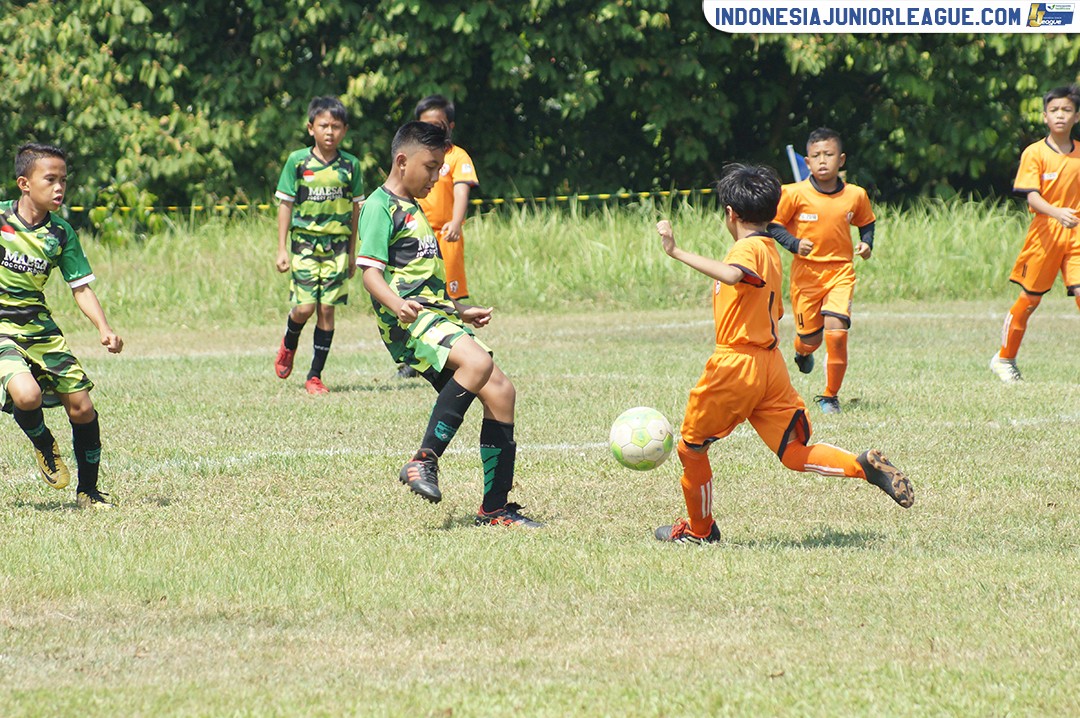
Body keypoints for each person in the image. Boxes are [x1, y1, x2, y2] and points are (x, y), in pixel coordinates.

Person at [653, 163, 913, 545]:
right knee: (793, 452)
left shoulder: (747, 248)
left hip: (736, 365)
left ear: (730, 213)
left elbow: (732, 275)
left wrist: (675, 251)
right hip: (770, 366)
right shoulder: (771, 249)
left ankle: (700, 531)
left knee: (690, 448)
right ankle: (861, 467)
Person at [356, 121, 541, 528]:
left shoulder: (415, 211)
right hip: (410, 324)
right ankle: (423, 461)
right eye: (432, 166)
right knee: (477, 365)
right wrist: (396, 304)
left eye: (442, 166)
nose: (438, 175)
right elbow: (370, 274)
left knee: (502, 393)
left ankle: (494, 510)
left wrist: (459, 311)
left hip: (435, 319)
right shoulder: (378, 206)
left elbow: (424, 280)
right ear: (401, 162)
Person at [1, 143, 123, 508]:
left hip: (40, 329)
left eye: (63, 181)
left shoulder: (61, 233)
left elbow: (80, 287)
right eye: (50, 179)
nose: (59, 188)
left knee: (82, 407)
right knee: (27, 395)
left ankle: (88, 491)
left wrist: (104, 327)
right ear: (24, 183)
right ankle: (43, 444)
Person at [768, 127, 876, 414]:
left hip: (841, 272)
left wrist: (866, 244)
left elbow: (866, 223)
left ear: (841, 159)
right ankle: (802, 353)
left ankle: (830, 396)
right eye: (816, 156)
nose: (823, 161)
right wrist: (793, 243)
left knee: (837, 330)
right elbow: (774, 225)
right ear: (807, 162)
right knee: (811, 339)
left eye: (829, 155)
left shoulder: (855, 195)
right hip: (806, 277)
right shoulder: (792, 194)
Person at [273, 96, 365, 394]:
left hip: (338, 247)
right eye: (323, 125)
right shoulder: (297, 162)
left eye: (336, 126)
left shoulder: (351, 166)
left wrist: (353, 254)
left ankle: (314, 375)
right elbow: (285, 205)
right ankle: (289, 342)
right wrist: (282, 248)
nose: (329, 132)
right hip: (304, 245)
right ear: (310, 127)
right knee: (304, 307)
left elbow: (356, 212)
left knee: (327, 309)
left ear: (345, 130)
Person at [991, 84, 1080, 383]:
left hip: (1077, 234)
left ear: (1076, 116)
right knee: (1030, 299)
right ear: (1044, 116)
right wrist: (1057, 212)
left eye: (1067, 110)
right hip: (1045, 234)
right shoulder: (1035, 153)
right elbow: (1032, 197)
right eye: (1054, 110)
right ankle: (1004, 359)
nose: (1060, 115)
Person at [393, 95, 482, 380]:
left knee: (448, 292)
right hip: (414, 237)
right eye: (427, 124)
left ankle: (457, 347)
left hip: (446, 236)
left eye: (439, 124)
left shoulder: (456, 156)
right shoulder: (414, 160)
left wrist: (456, 221)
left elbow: (461, 188)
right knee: (415, 293)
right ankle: (416, 357)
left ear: (451, 125)